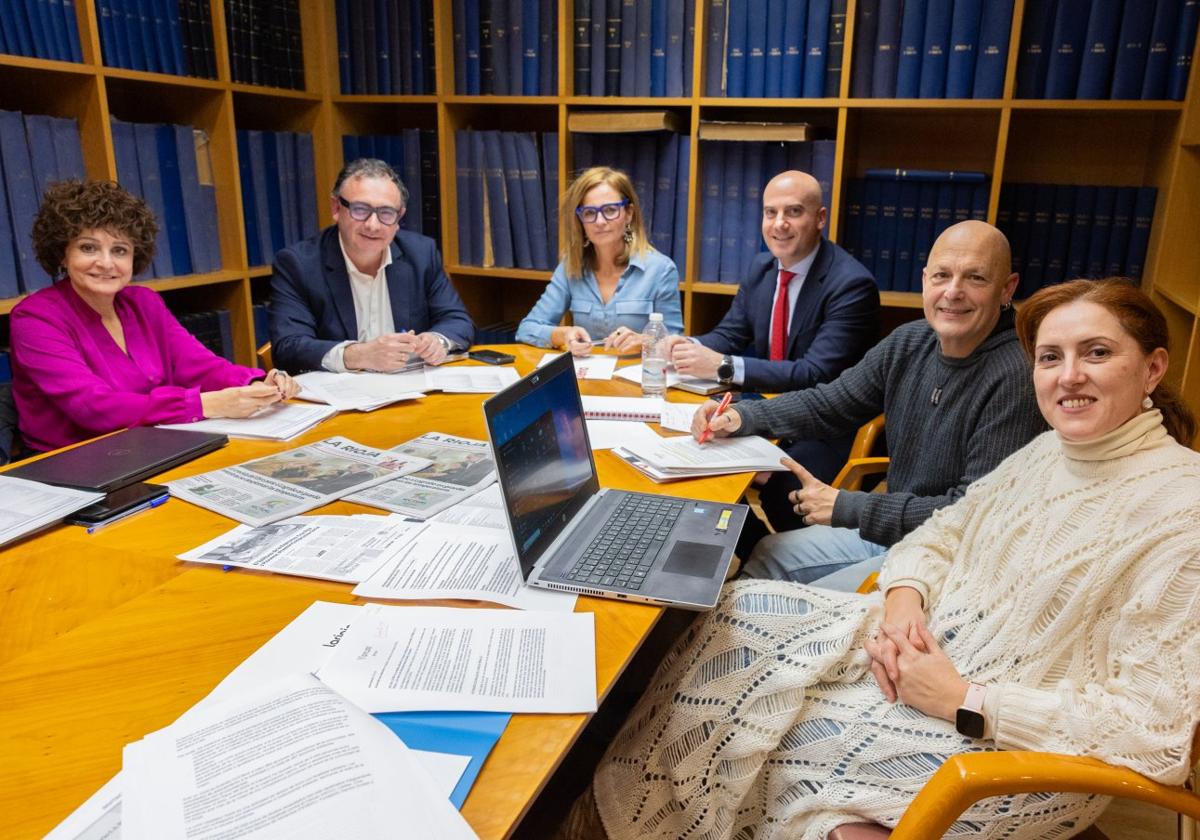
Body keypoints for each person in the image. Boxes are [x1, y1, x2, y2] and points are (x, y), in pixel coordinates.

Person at [563, 278, 1200, 840]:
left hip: (1011, 750)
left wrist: (965, 697)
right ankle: (612, 812)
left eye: (1097, 353)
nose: (1069, 376)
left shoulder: (1183, 509)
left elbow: (1153, 728)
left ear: (1151, 368)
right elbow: (944, 531)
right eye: (1051, 357)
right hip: (933, 653)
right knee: (731, 615)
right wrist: (904, 600)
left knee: (771, 738)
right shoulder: (1051, 452)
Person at [695, 220, 1046, 588]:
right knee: (765, 557)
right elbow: (830, 403)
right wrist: (741, 416)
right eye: (942, 276)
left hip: (949, 559)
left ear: (1007, 289)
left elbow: (972, 513)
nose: (953, 292)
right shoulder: (910, 342)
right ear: (925, 280)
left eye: (975, 278)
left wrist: (850, 507)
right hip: (897, 532)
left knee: (788, 601)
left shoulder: (1017, 375)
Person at [665, 170, 879, 538]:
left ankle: (763, 558)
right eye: (770, 213)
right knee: (694, 460)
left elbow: (816, 373)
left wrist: (724, 367)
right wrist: (687, 345)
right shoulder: (761, 268)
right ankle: (735, 552)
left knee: (784, 493)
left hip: (825, 423)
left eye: (793, 212)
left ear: (820, 218)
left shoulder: (851, 285)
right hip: (766, 407)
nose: (779, 224)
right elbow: (731, 333)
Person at [10, 180, 298, 453]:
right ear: (63, 253)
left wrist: (254, 383)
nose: (106, 263)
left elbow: (199, 366)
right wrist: (205, 405)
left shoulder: (143, 302)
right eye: (88, 248)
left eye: (120, 250)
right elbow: (92, 407)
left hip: (154, 445)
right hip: (73, 466)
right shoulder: (35, 318)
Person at [269, 158, 474, 373]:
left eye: (386, 213)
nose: (373, 225)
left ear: (399, 217)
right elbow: (288, 347)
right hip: (342, 395)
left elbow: (457, 320)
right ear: (336, 208)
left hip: (412, 391)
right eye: (360, 209)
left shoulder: (421, 254)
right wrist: (359, 355)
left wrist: (437, 341)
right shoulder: (297, 264)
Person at [515, 166, 682, 355]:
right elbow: (526, 329)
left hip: (639, 379)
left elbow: (675, 344)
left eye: (610, 210)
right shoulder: (571, 266)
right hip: (588, 378)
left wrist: (644, 342)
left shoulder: (660, 270)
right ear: (580, 221)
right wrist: (564, 334)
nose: (600, 221)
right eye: (589, 213)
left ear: (629, 213)